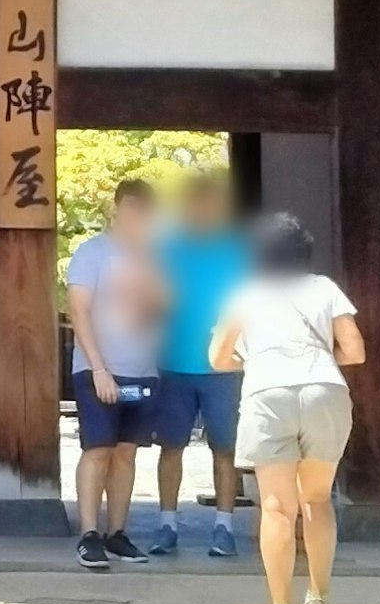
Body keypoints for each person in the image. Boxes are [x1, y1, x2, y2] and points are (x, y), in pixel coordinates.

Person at [210, 211, 364, 604]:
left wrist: (252, 359)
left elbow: (217, 358)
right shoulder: (325, 289)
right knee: (317, 499)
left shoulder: (244, 294)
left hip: (267, 393)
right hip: (323, 391)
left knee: (277, 508)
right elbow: (355, 351)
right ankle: (319, 599)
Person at [62, 177, 171, 569]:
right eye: (132, 209)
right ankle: (89, 533)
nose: (137, 217)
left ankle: (117, 532)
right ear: (116, 209)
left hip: (143, 369)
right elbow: (78, 310)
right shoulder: (92, 253)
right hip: (98, 369)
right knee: (98, 450)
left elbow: (165, 305)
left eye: (145, 212)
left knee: (127, 453)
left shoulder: (152, 255)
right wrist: (99, 368)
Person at [145, 171, 252, 559]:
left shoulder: (238, 249)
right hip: (174, 361)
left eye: (210, 203)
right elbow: (149, 299)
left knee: (225, 448)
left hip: (225, 368)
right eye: (195, 203)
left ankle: (224, 527)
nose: (202, 210)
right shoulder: (166, 247)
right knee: (171, 445)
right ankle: (167, 523)